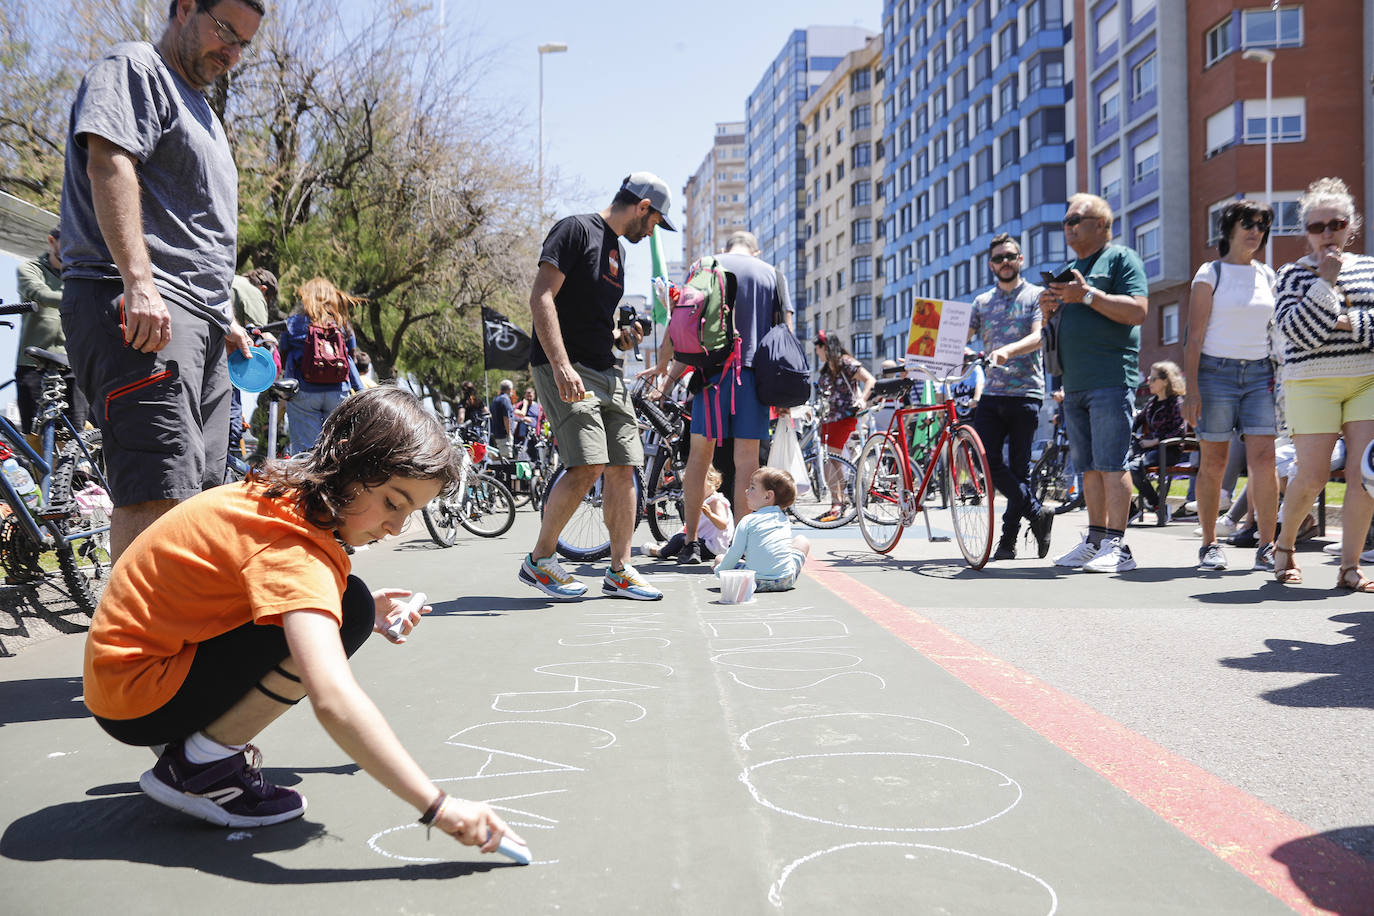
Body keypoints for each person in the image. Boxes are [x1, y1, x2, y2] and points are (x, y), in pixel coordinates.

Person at [81, 387, 522, 853]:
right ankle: (201, 769)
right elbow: (333, 698)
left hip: (125, 676)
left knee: (349, 604)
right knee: (344, 611)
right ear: (353, 466)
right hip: (137, 698)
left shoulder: (281, 499)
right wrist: (440, 808)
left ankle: (195, 748)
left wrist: (357, 610)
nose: (396, 528)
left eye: (411, 512)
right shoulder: (293, 547)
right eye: (394, 503)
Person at [58, 0, 262, 561]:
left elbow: (194, 226)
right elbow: (109, 163)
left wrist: (226, 317)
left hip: (202, 321)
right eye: (225, 31)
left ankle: (184, 645)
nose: (232, 52)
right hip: (141, 305)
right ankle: (132, 649)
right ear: (185, 9)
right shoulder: (135, 69)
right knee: (158, 494)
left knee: (204, 497)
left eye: (244, 44)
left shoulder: (205, 112)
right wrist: (139, 281)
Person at [518, 172, 673, 601]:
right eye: (656, 220)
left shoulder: (618, 252)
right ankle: (540, 561)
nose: (654, 230)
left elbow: (594, 322)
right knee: (587, 464)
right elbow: (541, 298)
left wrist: (620, 339)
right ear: (642, 207)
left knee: (625, 466)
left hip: (607, 370)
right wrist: (561, 364)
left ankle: (620, 570)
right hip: (566, 368)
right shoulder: (575, 230)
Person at [645, 230, 794, 562]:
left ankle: (692, 541)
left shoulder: (705, 266)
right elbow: (785, 332)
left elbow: (684, 322)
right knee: (747, 463)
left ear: (725, 248)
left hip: (709, 378)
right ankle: (739, 549)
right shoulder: (771, 273)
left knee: (699, 459)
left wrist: (666, 374)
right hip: (753, 378)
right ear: (755, 250)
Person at [1271, 177, 1374, 590]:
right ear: (1306, 232)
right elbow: (1300, 333)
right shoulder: (1292, 275)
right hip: (1310, 384)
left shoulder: (1370, 268)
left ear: (1351, 226)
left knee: (1363, 476)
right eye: (1317, 227)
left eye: (1336, 223)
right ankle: (1285, 546)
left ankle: (1350, 567)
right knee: (1311, 476)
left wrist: (1346, 321)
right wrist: (1326, 282)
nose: (1328, 233)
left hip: (1366, 382)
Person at [1040, 193, 1150, 574]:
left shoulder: (1121, 258)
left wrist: (1086, 294)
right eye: (1065, 221)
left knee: (1111, 463)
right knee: (1088, 466)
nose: (1068, 227)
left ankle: (1118, 546)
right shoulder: (1070, 267)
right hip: (1075, 383)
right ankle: (1095, 539)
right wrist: (1049, 312)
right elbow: (1056, 330)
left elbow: (1138, 311)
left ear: (1101, 224)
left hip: (1110, 378)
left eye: (1076, 219)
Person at [1182, 200, 1281, 573]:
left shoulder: (1268, 276)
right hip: (1215, 374)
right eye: (1248, 223)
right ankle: (1209, 543)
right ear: (1229, 229)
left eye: (1261, 225)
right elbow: (1194, 338)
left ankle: (1267, 545)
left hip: (1259, 375)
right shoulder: (1211, 273)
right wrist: (1191, 390)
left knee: (1265, 461)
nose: (1255, 231)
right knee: (1215, 462)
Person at [969, 233, 1055, 561]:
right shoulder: (982, 302)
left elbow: (1038, 336)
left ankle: (1007, 542)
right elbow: (962, 334)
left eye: (1011, 256)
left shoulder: (1037, 295)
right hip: (991, 393)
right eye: (999, 258)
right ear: (991, 265)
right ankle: (1037, 512)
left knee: (1020, 471)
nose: (1005, 262)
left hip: (1026, 393)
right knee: (987, 462)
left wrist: (1006, 350)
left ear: (1021, 260)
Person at [15, 227, 89, 436]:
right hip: (33, 363)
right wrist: (80, 297)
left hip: (72, 362)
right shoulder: (30, 268)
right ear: (51, 241)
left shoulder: (80, 272)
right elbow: (39, 294)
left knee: (76, 433)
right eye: (66, 242)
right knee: (35, 435)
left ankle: (80, 468)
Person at [279, 277, 363, 454]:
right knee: (337, 451)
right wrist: (360, 391)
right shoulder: (342, 325)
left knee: (306, 454)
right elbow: (350, 359)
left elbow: (284, 354)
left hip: (304, 393)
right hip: (339, 392)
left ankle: (308, 481)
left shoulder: (293, 323)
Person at [712, 467, 811, 593]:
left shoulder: (748, 520)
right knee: (802, 541)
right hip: (785, 580)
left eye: (752, 488)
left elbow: (735, 552)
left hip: (753, 582)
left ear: (768, 496)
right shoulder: (784, 519)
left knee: (720, 558)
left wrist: (719, 571)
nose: (747, 491)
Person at [814, 331, 875, 521]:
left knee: (832, 459)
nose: (817, 353)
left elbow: (870, 380)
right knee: (832, 459)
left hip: (844, 415)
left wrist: (862, 399)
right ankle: (839, 501)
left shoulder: (846, 362)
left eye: (818, 349)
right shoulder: (828, 368)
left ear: (825, 347)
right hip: (830, 417)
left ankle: (838, 503)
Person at [228, 267, 279, 463]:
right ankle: (230, 464)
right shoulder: (253, 293)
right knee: (230, 418)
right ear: (264, 290)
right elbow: (262, 336)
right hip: (225, 365)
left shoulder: (229, 278)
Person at [1128, 361, 1187, 525]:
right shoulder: (1152, 403)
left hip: (1168, 451)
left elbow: (1179, 430)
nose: (1149, 382)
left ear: (1166, 381)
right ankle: (1132, 509)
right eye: (1149, 378)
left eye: (1153, 379)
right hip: (1151, 451)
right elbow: (1135, 422)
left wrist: (1154, 441)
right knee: (1121, 466)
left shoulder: (1176, 403)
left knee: (1133, 468)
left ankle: (1157, 506)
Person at [643, 465, 733, 560]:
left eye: (700, 486)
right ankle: (672, 548)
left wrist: (710, 515)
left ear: (713, 483)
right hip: (708, 544)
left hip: (713, 547)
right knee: (682, 538)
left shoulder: (715, 501)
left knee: (680, 539)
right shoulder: (705, 500)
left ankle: (660, 552)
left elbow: (723, 525)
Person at [489, 378, 515, 460]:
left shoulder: (496, 399)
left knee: (498, 459)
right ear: (509, 389)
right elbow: (506, 418)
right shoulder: (505, 399)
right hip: (504, 435)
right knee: (506, 459)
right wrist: (509, 433)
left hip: (496, 433)